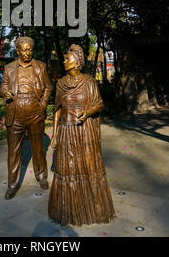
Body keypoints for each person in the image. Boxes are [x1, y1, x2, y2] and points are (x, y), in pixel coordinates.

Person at [48, 44, 116, 226]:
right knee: (68, 169)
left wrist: (87, 113)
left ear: (77, 62)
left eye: (67, 58)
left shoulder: (89, 82)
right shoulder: (61, 84)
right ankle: (68, 211)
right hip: (66, 131)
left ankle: (92, 209)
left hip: (84, 131)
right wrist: (54, 134)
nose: (64, 61)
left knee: (87, 167)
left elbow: (99, 104)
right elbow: (57, 110)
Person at [0, 36, 52, 200]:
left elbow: (48, 87)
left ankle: (42, 176)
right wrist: (5, 92)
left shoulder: (40, 67)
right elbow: (3, 86)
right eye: (24, 50)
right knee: (14, 152)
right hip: (15, 113)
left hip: (34, 112)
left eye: (30, 49)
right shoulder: (9, 68)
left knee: (38, 147)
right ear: (18, 51)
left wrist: (42, 105)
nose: (28, 52)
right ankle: (12, 185)